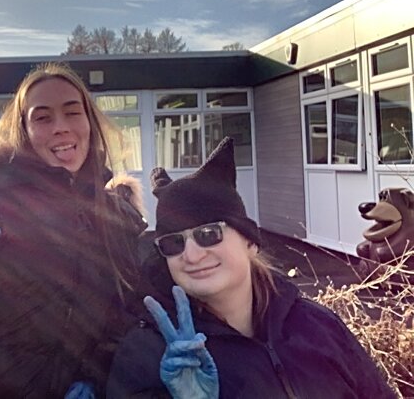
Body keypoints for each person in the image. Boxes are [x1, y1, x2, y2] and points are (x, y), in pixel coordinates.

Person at [0, 62, 146, 398]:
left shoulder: (119, 220)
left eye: (72, 112)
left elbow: (126, 321)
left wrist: (98, 376)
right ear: (24, 131)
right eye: (43, 118)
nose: (61, 127)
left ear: (89, 122)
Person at [107, 137, 396, 398]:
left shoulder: (319, 326)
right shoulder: (148, 355)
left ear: (250, 242)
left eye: (208, 234)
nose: (191, 256)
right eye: (174, 243)